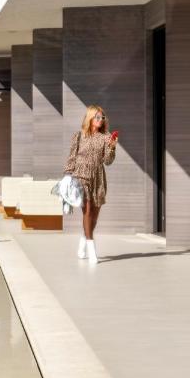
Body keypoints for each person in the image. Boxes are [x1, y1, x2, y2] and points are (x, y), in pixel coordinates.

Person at [63, 105, 118, 264]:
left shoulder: (106, 137)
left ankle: (84, 239)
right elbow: (72, 158)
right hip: (81, 176)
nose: (100, 120)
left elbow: (107, 161)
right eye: (97, 117)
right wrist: (67, 176)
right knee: (87, 211)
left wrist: (112, 147)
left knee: (94, 215)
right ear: (90, 118)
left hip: (98, 178)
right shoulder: (79, 136)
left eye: (102, 117)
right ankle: (92, 250)